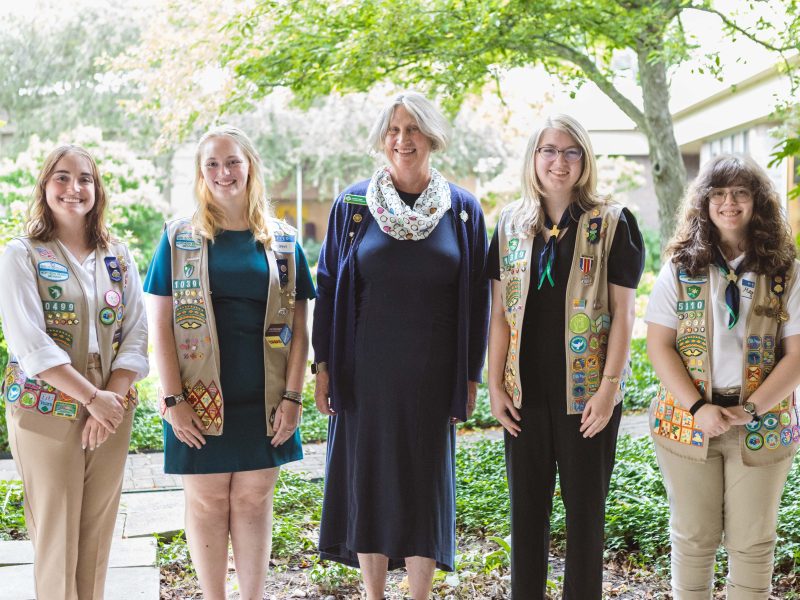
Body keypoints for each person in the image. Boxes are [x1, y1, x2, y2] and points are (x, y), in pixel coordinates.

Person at [312, 91, 490, 599]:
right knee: (367, 480)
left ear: (431, 136)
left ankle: (418, 595)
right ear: (381, 139)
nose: (402, 139)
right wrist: (323, 367)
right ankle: (374, 594)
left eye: (413, 129)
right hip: (364, 370)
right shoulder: (353, 206)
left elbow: (477, 296)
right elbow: (327, 285)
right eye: (393, 129)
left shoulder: (462, 210)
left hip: (434, 372)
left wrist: (470, 376)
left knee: (424, 486)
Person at [144, 125, 316, 600]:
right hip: (197, 396)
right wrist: (172, 399)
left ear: (250, 166)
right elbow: (159, 324)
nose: (224, 172)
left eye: (233, 161)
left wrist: (294, 398)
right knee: (206, 500)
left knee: (255, 499)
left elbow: (301, 330)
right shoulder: (178, 238)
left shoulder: (283, 242)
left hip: (266, 395)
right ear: (201, 175)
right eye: (213, 165)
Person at [486, 114, 644, 598]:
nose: (560, 161)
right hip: (524, 393)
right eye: (549, 150)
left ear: (585, 160)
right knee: (526, 516)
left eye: (571, 151)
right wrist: (494, 386)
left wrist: (609, 390)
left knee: (585, 517)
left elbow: (624, 313)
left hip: (589, 396)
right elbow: (499, 313)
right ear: (534, 158)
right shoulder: (511, 224)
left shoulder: (613, 222)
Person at [645, 154, 800, 599]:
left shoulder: (785, 271)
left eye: (740, 193)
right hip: (688, 419)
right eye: (718, 194)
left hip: (761, 420)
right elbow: (660, 345)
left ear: (757, 202)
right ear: (705, 202)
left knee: (753, 540)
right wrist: (699, 407)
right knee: (693, 536)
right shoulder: (680, 267)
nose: (728, 203)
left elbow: (795, 355)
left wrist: (751, 409)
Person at [0, 145, 148, 599]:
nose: (74, 188)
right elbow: (31, 344)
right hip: (45, 406)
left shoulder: (117, 255)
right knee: (56, 532)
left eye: (84, 178)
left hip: (111, 404)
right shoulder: (22, 254)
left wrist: (111, 403)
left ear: (97, 190)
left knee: (97, 533)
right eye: (62, 177)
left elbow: (136, 334)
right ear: (45, 186)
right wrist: (92, 399)